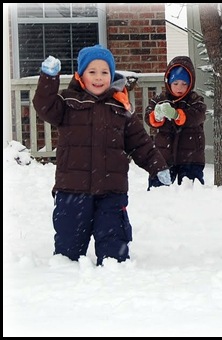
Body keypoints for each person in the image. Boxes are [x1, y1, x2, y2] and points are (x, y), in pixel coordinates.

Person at [32, 44, 172, 266]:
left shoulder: (120, 108)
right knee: (67, 251)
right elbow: (44, 105)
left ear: (112, 74)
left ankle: (114, 282)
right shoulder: (68, 103)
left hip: (111, 191)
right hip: (72, 190)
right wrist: (49, 79)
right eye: (92, 72)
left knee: (114, 248)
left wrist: (158, 166)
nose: (99, 78)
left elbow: (140, 142)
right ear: (81, 76)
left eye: (104, 72)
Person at [144, 56, 207, 189]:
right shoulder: (160, 100)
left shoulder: (196, 100)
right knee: (159, 190)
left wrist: (177, 114)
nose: (180, 87)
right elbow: (148, 116)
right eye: (176, 83)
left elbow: (197, 116)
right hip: (164, 156)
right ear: (169, 82)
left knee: (190, 191)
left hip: (191, 157)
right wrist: (157, 115)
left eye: (184, 84)